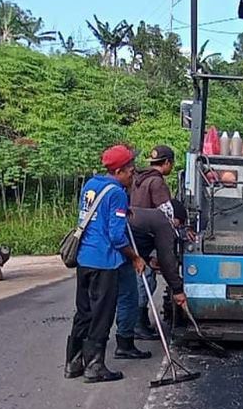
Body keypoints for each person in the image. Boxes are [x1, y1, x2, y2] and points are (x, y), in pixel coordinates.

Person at [65, 145, 145, 384]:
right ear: (119, 170)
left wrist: (123, 210)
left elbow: (96, 214)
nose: (133, 173)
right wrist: (135, 257)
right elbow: (117, 237)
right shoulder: (118, 192)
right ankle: (94, 366)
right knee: (102, 315)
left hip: (84, 260)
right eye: (130, 169)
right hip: (105, 262)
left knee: (84, 312)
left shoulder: (91, 184)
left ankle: (73, 362)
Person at [113, 207, 189, 359]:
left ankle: (124, 341)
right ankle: (124, 344)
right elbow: (167, 260)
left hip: (119, 252)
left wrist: (148, 259)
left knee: (124, 298)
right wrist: (178, 290)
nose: (178, 227)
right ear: (175, 217)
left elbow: (138, 239)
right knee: (129, 298)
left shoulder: (152, 216)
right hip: (119, 255)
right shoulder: (164, 223)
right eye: (179, 223)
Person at [128, 145, 177, 340]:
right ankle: (138, 324)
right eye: (171, 164)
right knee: (145, 279)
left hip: (133, 236)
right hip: (148, 238)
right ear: (166, 163)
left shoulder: (138, 180)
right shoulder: (157, 183)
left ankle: (137, 322)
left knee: (139, 280)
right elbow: (167, 214)